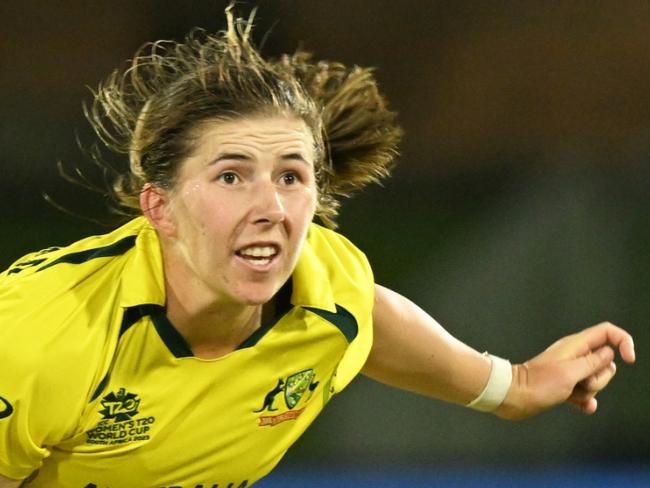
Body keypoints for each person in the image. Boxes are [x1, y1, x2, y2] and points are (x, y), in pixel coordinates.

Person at [0, 6, 636, 488]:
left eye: (290, 176)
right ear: (159, 207)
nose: (271, 209)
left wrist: (514, 385)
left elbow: (366, 313)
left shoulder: (325, 285)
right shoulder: (40, 339)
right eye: (230, 175)